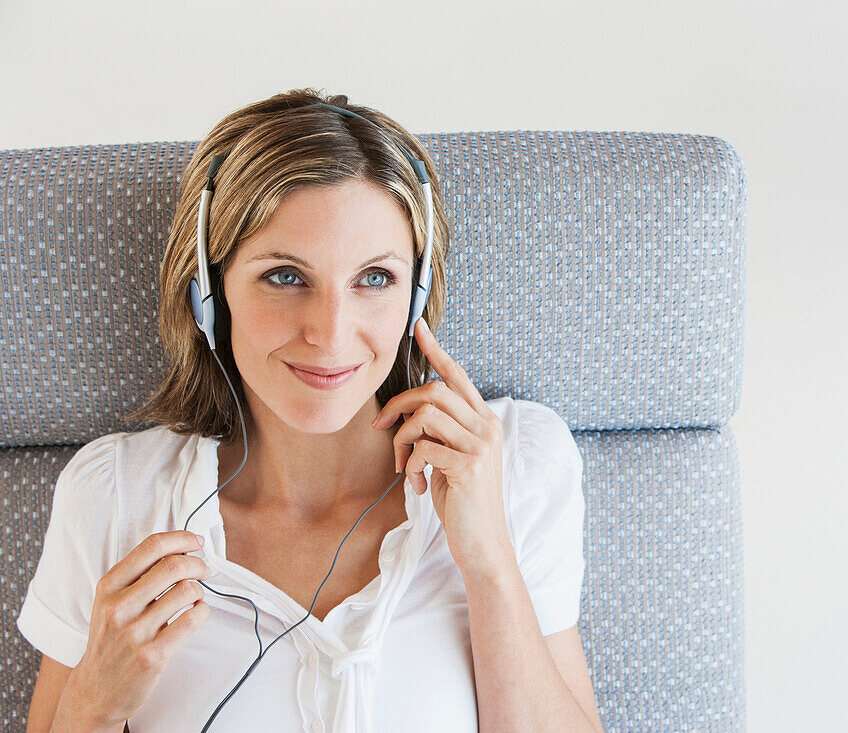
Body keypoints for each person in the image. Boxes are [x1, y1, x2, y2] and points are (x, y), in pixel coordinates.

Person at [18, 89, 602, 732]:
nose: (330, 332)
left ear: (417, 295)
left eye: (374, 278)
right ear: (211, 292)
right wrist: (91, 709)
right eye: (285, 277)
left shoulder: (514, 462)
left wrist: (489, 557)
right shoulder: (115, 495)